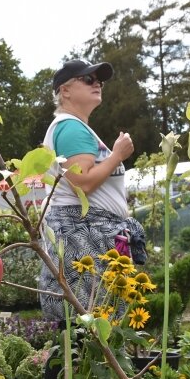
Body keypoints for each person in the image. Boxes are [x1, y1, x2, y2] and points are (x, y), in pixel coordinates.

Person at [38, 59, 139, 321]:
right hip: (82, 235)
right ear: (65, 90)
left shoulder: (74, 127)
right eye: (88, 79)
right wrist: (117, 155)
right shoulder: (71, 128)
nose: (97, 84)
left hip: (85, 233)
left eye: (99, 81)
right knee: (89, 324)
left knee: (90, 325)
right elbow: (83, 183)